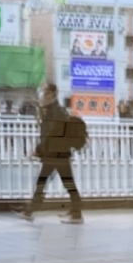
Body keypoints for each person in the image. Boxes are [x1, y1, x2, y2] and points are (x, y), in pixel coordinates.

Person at [22, 84, 86, 223]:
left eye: (45, 93)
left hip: (57, 154)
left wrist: (38, 150)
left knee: (53, 182)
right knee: (64, 183)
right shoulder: (52, 110)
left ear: (52, 94)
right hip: (56, 153)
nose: (42, 96)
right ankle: (75, 212)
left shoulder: (56, 112)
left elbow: (51, 135)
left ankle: (31, 210)